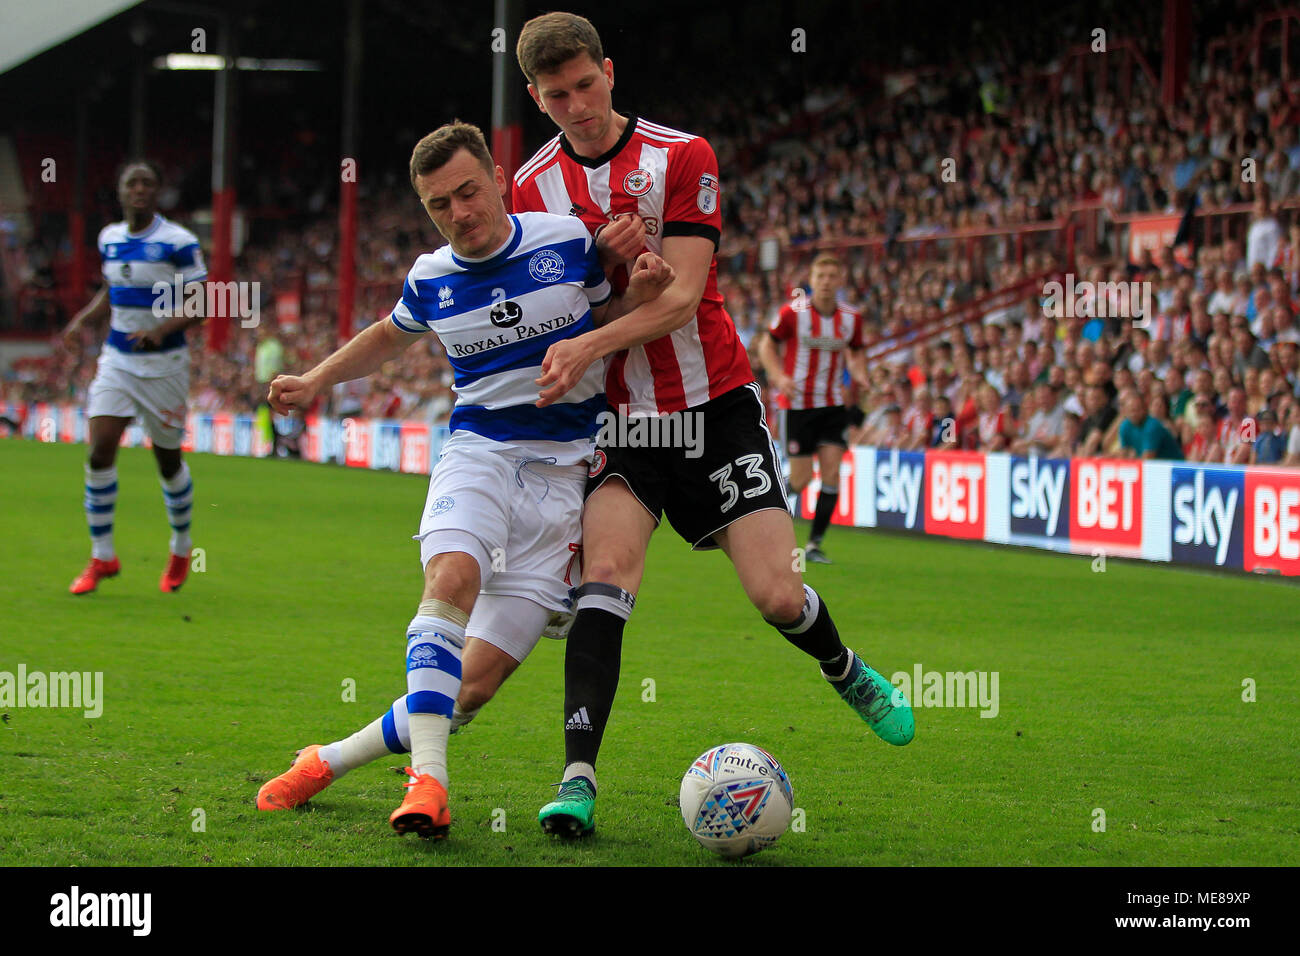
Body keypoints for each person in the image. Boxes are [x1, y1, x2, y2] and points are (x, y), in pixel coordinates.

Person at [510, 12, 913, 838]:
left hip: (714, 410)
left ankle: (845, 669)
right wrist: (616, 285)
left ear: (610, 72)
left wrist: (605, 322)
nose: (578, 106)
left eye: (587, 85)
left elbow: (685, 296)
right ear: (535, 97)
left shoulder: (682, 156)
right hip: (624, 421)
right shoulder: (531, 191)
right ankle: (577, 780)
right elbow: (572, 312)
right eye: (558, 96)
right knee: (607, 577)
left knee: (776, 595)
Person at [257, 122, 674, 838]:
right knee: (449, 580)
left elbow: (603, 319)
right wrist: (318, 377)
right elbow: (389, 334)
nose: (459, 214)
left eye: (468, 193)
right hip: (479, 451)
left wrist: (639, 292)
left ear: (497, 178)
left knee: (470, 687)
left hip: (562, 479)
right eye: (439, 205)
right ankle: (431, 783)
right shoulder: (431, 278)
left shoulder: (565, 242)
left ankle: (326, 759)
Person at [60, 161, 206, 595]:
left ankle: (181, 546)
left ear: (158, 192)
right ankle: (103, 555)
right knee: (100, 451)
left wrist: (158, 331)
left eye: (147, 183)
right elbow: (111, 290)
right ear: (120, 192)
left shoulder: (178, 241)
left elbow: (200, 303)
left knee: (167, 461)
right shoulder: (109, 238)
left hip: (164, 366)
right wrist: (82, 321)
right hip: (117, 362)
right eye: (131, 183)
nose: (139, 189)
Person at [758, 254, 869, 563]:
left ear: (840, 280)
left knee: (833, 472)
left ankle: (814, 544)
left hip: (833, 405)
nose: (826, 282)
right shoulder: (793, 313)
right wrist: (779, 376)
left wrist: (860, 373)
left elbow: (858, 351)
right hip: (798, 406)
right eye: (821, 276)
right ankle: (761, 509)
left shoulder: (851, 319)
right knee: (802, 478)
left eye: (832, 276)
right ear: (812, 279)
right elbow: (767, 344)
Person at [1117, 389, 1184, 460]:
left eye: (1138, 409)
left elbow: (1147, 458)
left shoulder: (1153, 426)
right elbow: (1123, 454)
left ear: (1145, 409)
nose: (1134, 414)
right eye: (1131, 410)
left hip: (1172, 467)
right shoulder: (1125, 426)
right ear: (1126, 411)